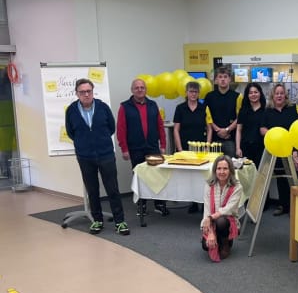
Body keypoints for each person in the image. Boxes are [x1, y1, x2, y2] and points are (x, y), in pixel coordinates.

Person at [65, 78, 129, 235]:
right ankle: (97, 220)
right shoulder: (71, 110)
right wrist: (84, 143)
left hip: (105, 154)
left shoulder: (103, 107)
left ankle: (120, 221)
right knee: (92, 190)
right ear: (77, 94)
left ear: (93, 92)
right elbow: (71, 132)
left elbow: (111, 128)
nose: (86, 94)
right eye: (82, 92)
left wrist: (99, 141)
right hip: (85, 156)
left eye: (89, 91)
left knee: (112, 189)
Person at [116, 78, 169, 216]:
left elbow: (160, 126)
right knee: (139, 177)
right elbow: (121, 129)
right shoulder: (124, 107)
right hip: (135, 148)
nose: (140, 90)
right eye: (137, 87)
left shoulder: (153, 105)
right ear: (132, 90)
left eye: (142, 87)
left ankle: (159, 204)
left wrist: (163, 145)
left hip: (152, 147)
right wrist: (124, 149)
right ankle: (142, 205)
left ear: (146, 89)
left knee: (157, 175)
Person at [260, 83, 298, 216]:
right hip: (276, 150)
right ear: (272, 96)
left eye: (281, 93)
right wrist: (273, 135)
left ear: (286, 95)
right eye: (277, 93)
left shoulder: (293, 110)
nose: (279, 96)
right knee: (281, 178)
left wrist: (295, 152)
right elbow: (262, 129)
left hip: (292, 150)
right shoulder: (267, 111)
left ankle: (296, 206)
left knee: (295, 178)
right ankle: (283, 205)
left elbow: (297, 131)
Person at [173, 80, 207, 213]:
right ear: (186, 93)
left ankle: (203, 203)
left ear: (199, 94)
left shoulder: (204, 108)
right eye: (191, 91)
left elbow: (209, 128)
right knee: (190, 177)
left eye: (196, 92)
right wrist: (179, 148)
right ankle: (193, 202)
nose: (193, 94)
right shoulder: (180, 108)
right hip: (185, 148)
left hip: (201, 148)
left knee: (202, 177)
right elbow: (176, 129)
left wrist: (207, 145)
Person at [200, 155, 242, 262]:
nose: (222, 172)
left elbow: (228, 209)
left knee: (221, 221)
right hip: (211, 221)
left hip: (228, 221)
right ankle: (216, 237)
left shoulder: (237, 187)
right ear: (215, 170)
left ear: (230, 170)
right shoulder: (209, 185)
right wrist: (210, 232)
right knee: (205, 246)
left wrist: (210, 218)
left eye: (225, 168)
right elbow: (207, 209)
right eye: (219, 168)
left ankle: (225, 242)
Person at [205, 67, 242, 158]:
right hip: (214, 140)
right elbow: (207, 117)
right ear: (216, 80)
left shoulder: (237, 96)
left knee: (231, 165)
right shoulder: (209, 96)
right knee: (213, 165)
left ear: (230, 79)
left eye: (225, 77)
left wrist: (227, 130)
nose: (223, 79)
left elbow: (240, 117)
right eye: (220, 77)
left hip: (231, 140)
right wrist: (218, 130)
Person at [235, 82, 266, 166]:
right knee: (246, 172)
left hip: (261, 148)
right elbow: (238, 130)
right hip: (245, 147)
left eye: (256, 92)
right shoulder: (243, 110)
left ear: (260, 93)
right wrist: (238, 148)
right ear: (247, 95)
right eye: (250, 93)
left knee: (260, 172)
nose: (253, 95)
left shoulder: (266, 110)